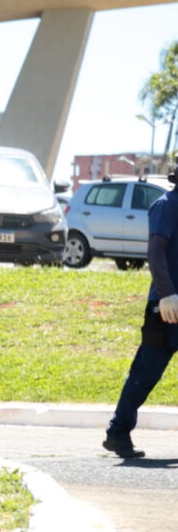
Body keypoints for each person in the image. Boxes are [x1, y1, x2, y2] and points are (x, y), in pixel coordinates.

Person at [103, 169, 178, 458]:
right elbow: (155, 253)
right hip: (167, 308)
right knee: (146, 372)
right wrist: (166, 292)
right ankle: (117, 433)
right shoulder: (166, 205)